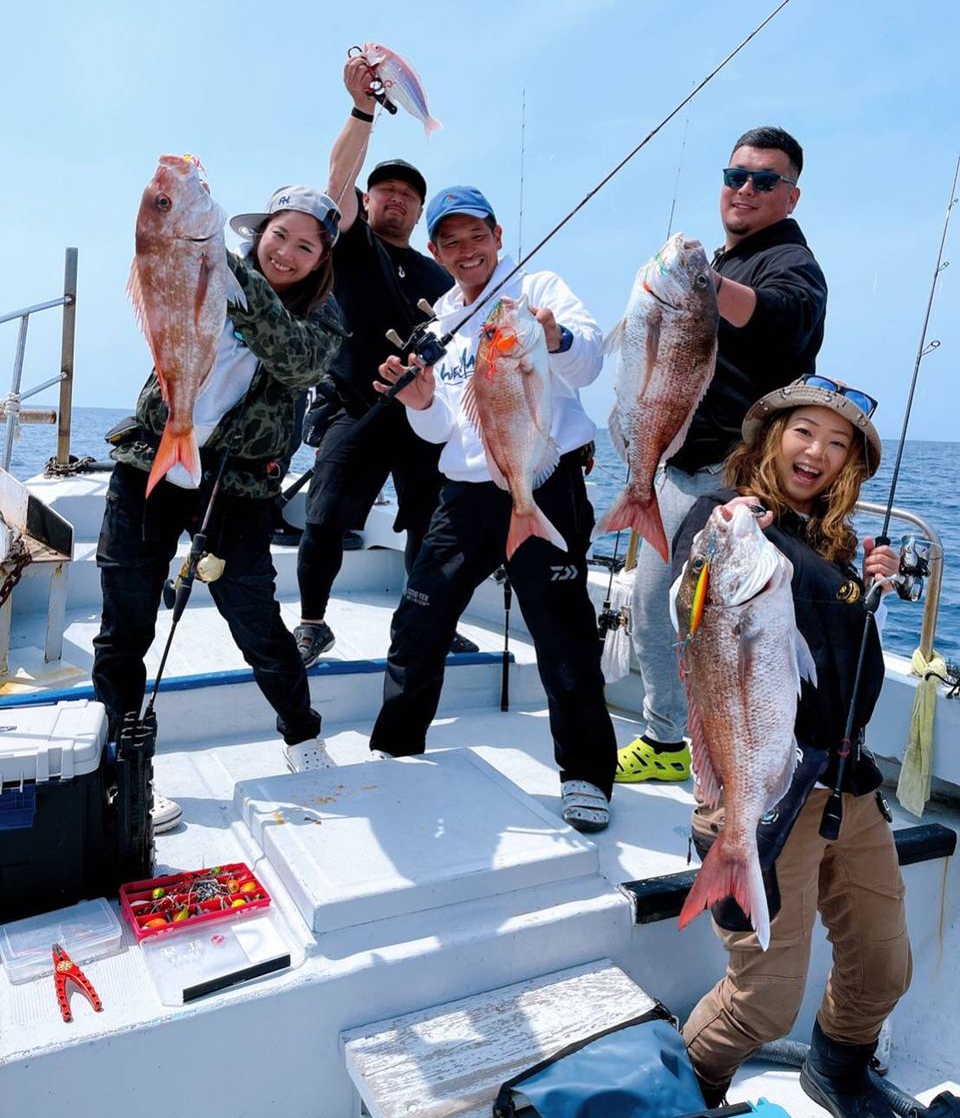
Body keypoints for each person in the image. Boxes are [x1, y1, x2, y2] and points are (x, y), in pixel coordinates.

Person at [674, 376, 911, 1117]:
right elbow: (692, 605)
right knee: (764, 1004)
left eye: (839, 444)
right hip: (763, 795)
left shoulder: (832, 543)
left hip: (848, 783)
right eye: (805, 431)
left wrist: (867, 581)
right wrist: (717, 547)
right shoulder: (728, 520)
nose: (819, 451)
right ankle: (685, 1095)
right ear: (771, 435)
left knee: (883, 967)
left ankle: (837, 1070)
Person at [93, 183, 344, 832]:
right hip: (148, 461)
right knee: (124, 629)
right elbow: (152, 271)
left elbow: (299, 362)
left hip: (237, 490)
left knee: (260, 627)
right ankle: (121, 772)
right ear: (255, 231)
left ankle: (302, 737)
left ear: (323, 259)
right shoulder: (202, 264)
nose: (286, 251)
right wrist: (194, 251)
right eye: (278, 235)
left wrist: (234, 278)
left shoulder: (322, 317)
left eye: (305, 245)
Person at [370, 186, 618, 831]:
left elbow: (589, 365)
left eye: (475, 235)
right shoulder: (440, 325)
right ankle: (396, 748)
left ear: (498, 235)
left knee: (562, 632)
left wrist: (554, 335)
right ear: (435, 250)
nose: (465, 249)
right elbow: (440, 433)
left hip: (542, 485)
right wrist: (419, 399)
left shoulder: (538, 288)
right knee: (418, 621)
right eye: (449, 240)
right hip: (466, 494)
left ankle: (587, 774)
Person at [616, 126, 829, 784]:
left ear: (790, 197)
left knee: (717, 620)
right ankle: (672, 741)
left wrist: (697, 284)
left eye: (765, 180)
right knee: (656, 604)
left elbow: (785, 319)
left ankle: (740, 761)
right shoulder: (725, 263)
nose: (745, 188)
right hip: (675, 465)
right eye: (736, 175)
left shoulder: (791, 263)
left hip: (737, 479)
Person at [294, 55, 478, 666]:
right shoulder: (349, 245)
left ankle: (430, 622)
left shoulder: (442, 275)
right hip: (355, 407)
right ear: (366, 201)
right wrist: (362, 109)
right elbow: (334, 182)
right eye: (386, 191)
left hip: (424, 414)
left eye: (408, 196)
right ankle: (313, 622)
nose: (397, 200)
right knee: (322, 520)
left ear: (420, 213)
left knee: (436, 525)